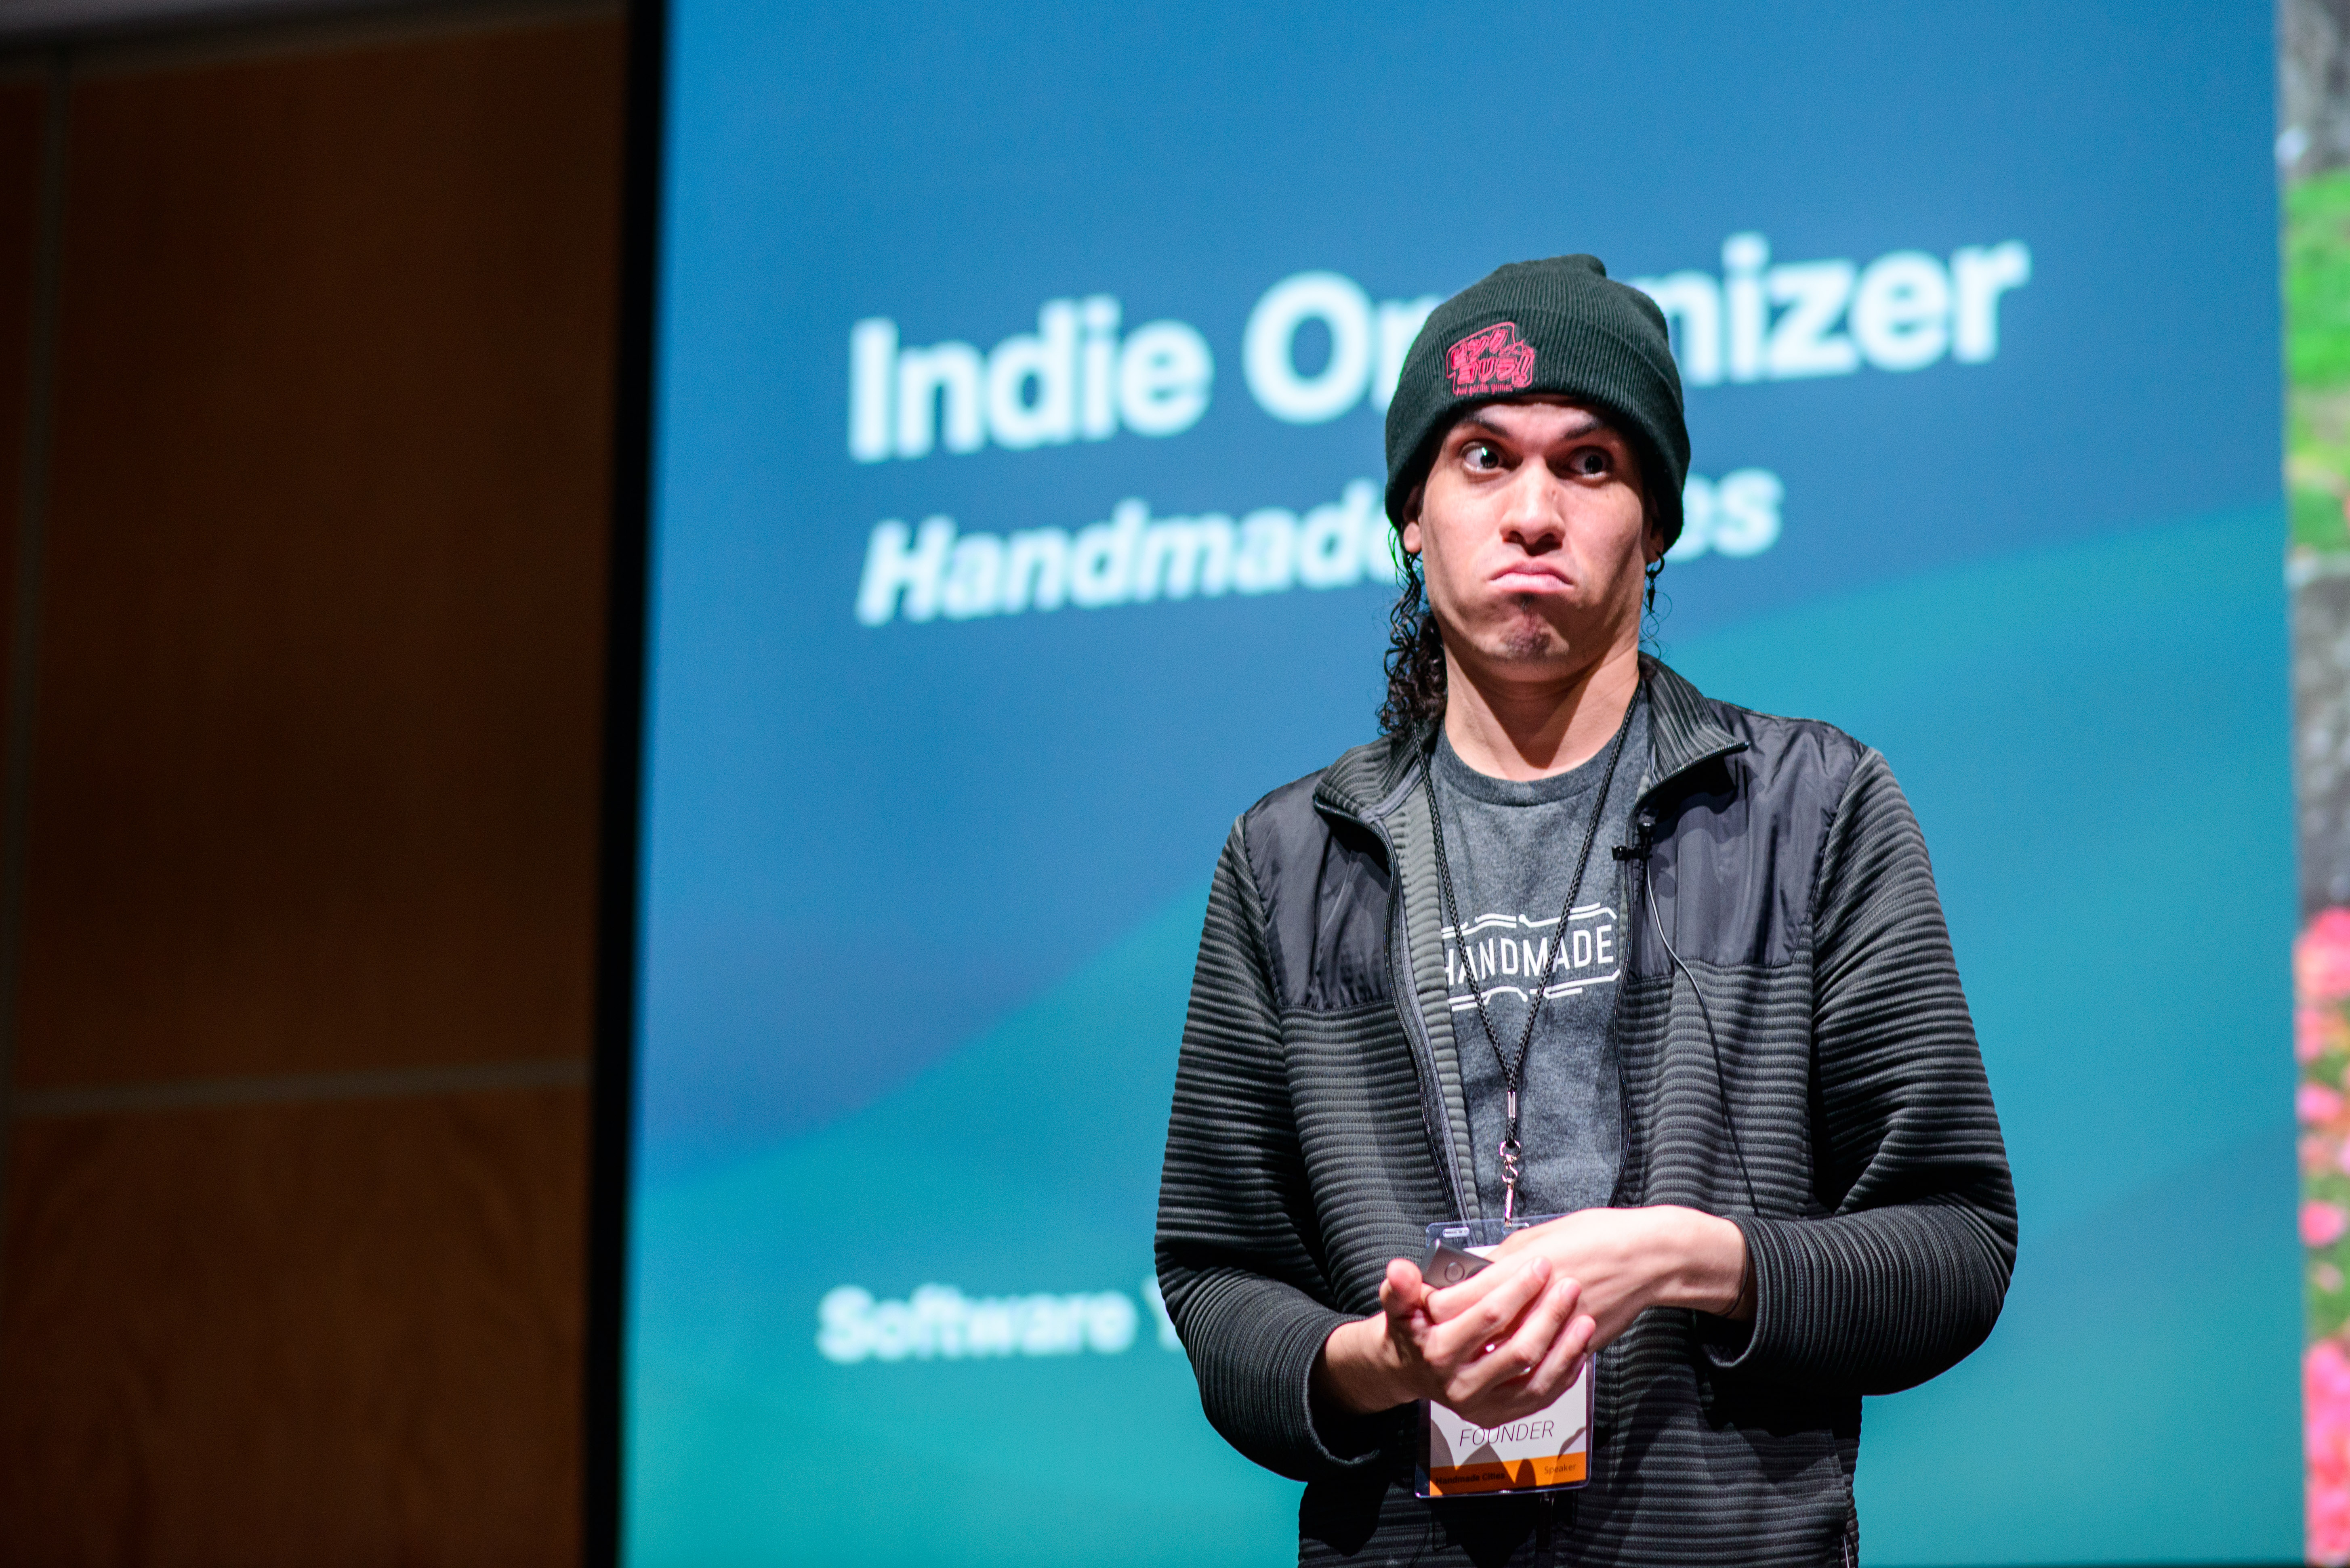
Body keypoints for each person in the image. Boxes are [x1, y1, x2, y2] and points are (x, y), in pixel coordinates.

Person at [1154, 254, 2016, 1568]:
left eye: (1590, 464)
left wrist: (1682, 1258)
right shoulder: (1289, 857)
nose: (1532, 512)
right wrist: (1381, 1361)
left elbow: (1955, 1244)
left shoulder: (1811, 807)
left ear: (1654, 523)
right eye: (1482, 459)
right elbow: (1217, 1278)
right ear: (1410, 514)